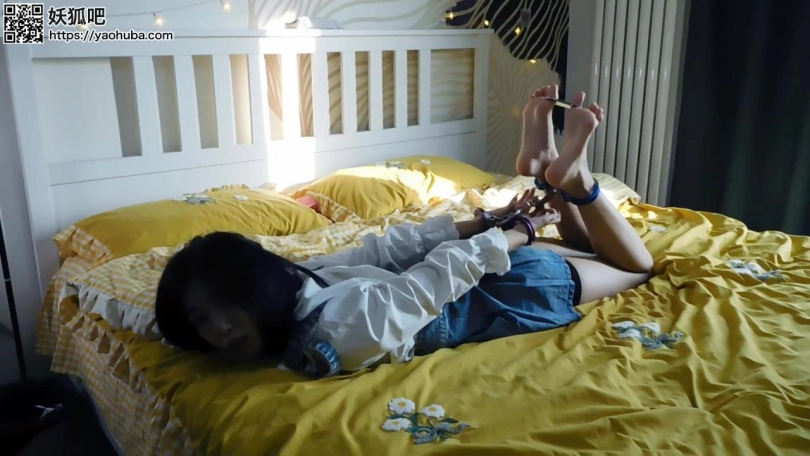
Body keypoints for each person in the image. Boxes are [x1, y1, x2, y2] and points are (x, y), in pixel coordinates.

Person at [155, 87, 654, 378]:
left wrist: (493, 223)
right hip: (499, 270)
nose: (220, 329)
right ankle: (555, 173)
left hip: (511, 288)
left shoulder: (328, 323)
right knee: (600, 254)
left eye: (226, 306)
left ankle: (569, 179)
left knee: (638, 267)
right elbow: (409, 264)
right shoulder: (301, 284)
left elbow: (398, 258)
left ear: (260, 284)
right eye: (201, 320)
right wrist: (513, 230)